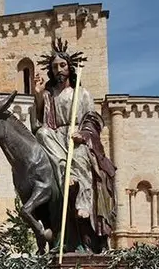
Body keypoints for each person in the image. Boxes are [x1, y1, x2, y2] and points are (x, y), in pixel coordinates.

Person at [33, 38, 115, 253]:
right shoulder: (50, 95)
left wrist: (83, 133)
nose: (59, 70)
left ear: (70, 68)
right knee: (41, 133)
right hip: (56, 137)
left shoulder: (82, 93)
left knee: (80, 158)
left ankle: (83, 202)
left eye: (62, 65)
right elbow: (41, 118)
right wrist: (38, 94)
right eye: (54, 67)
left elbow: (93, 118)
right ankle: (63, 171)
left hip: (76, 137)